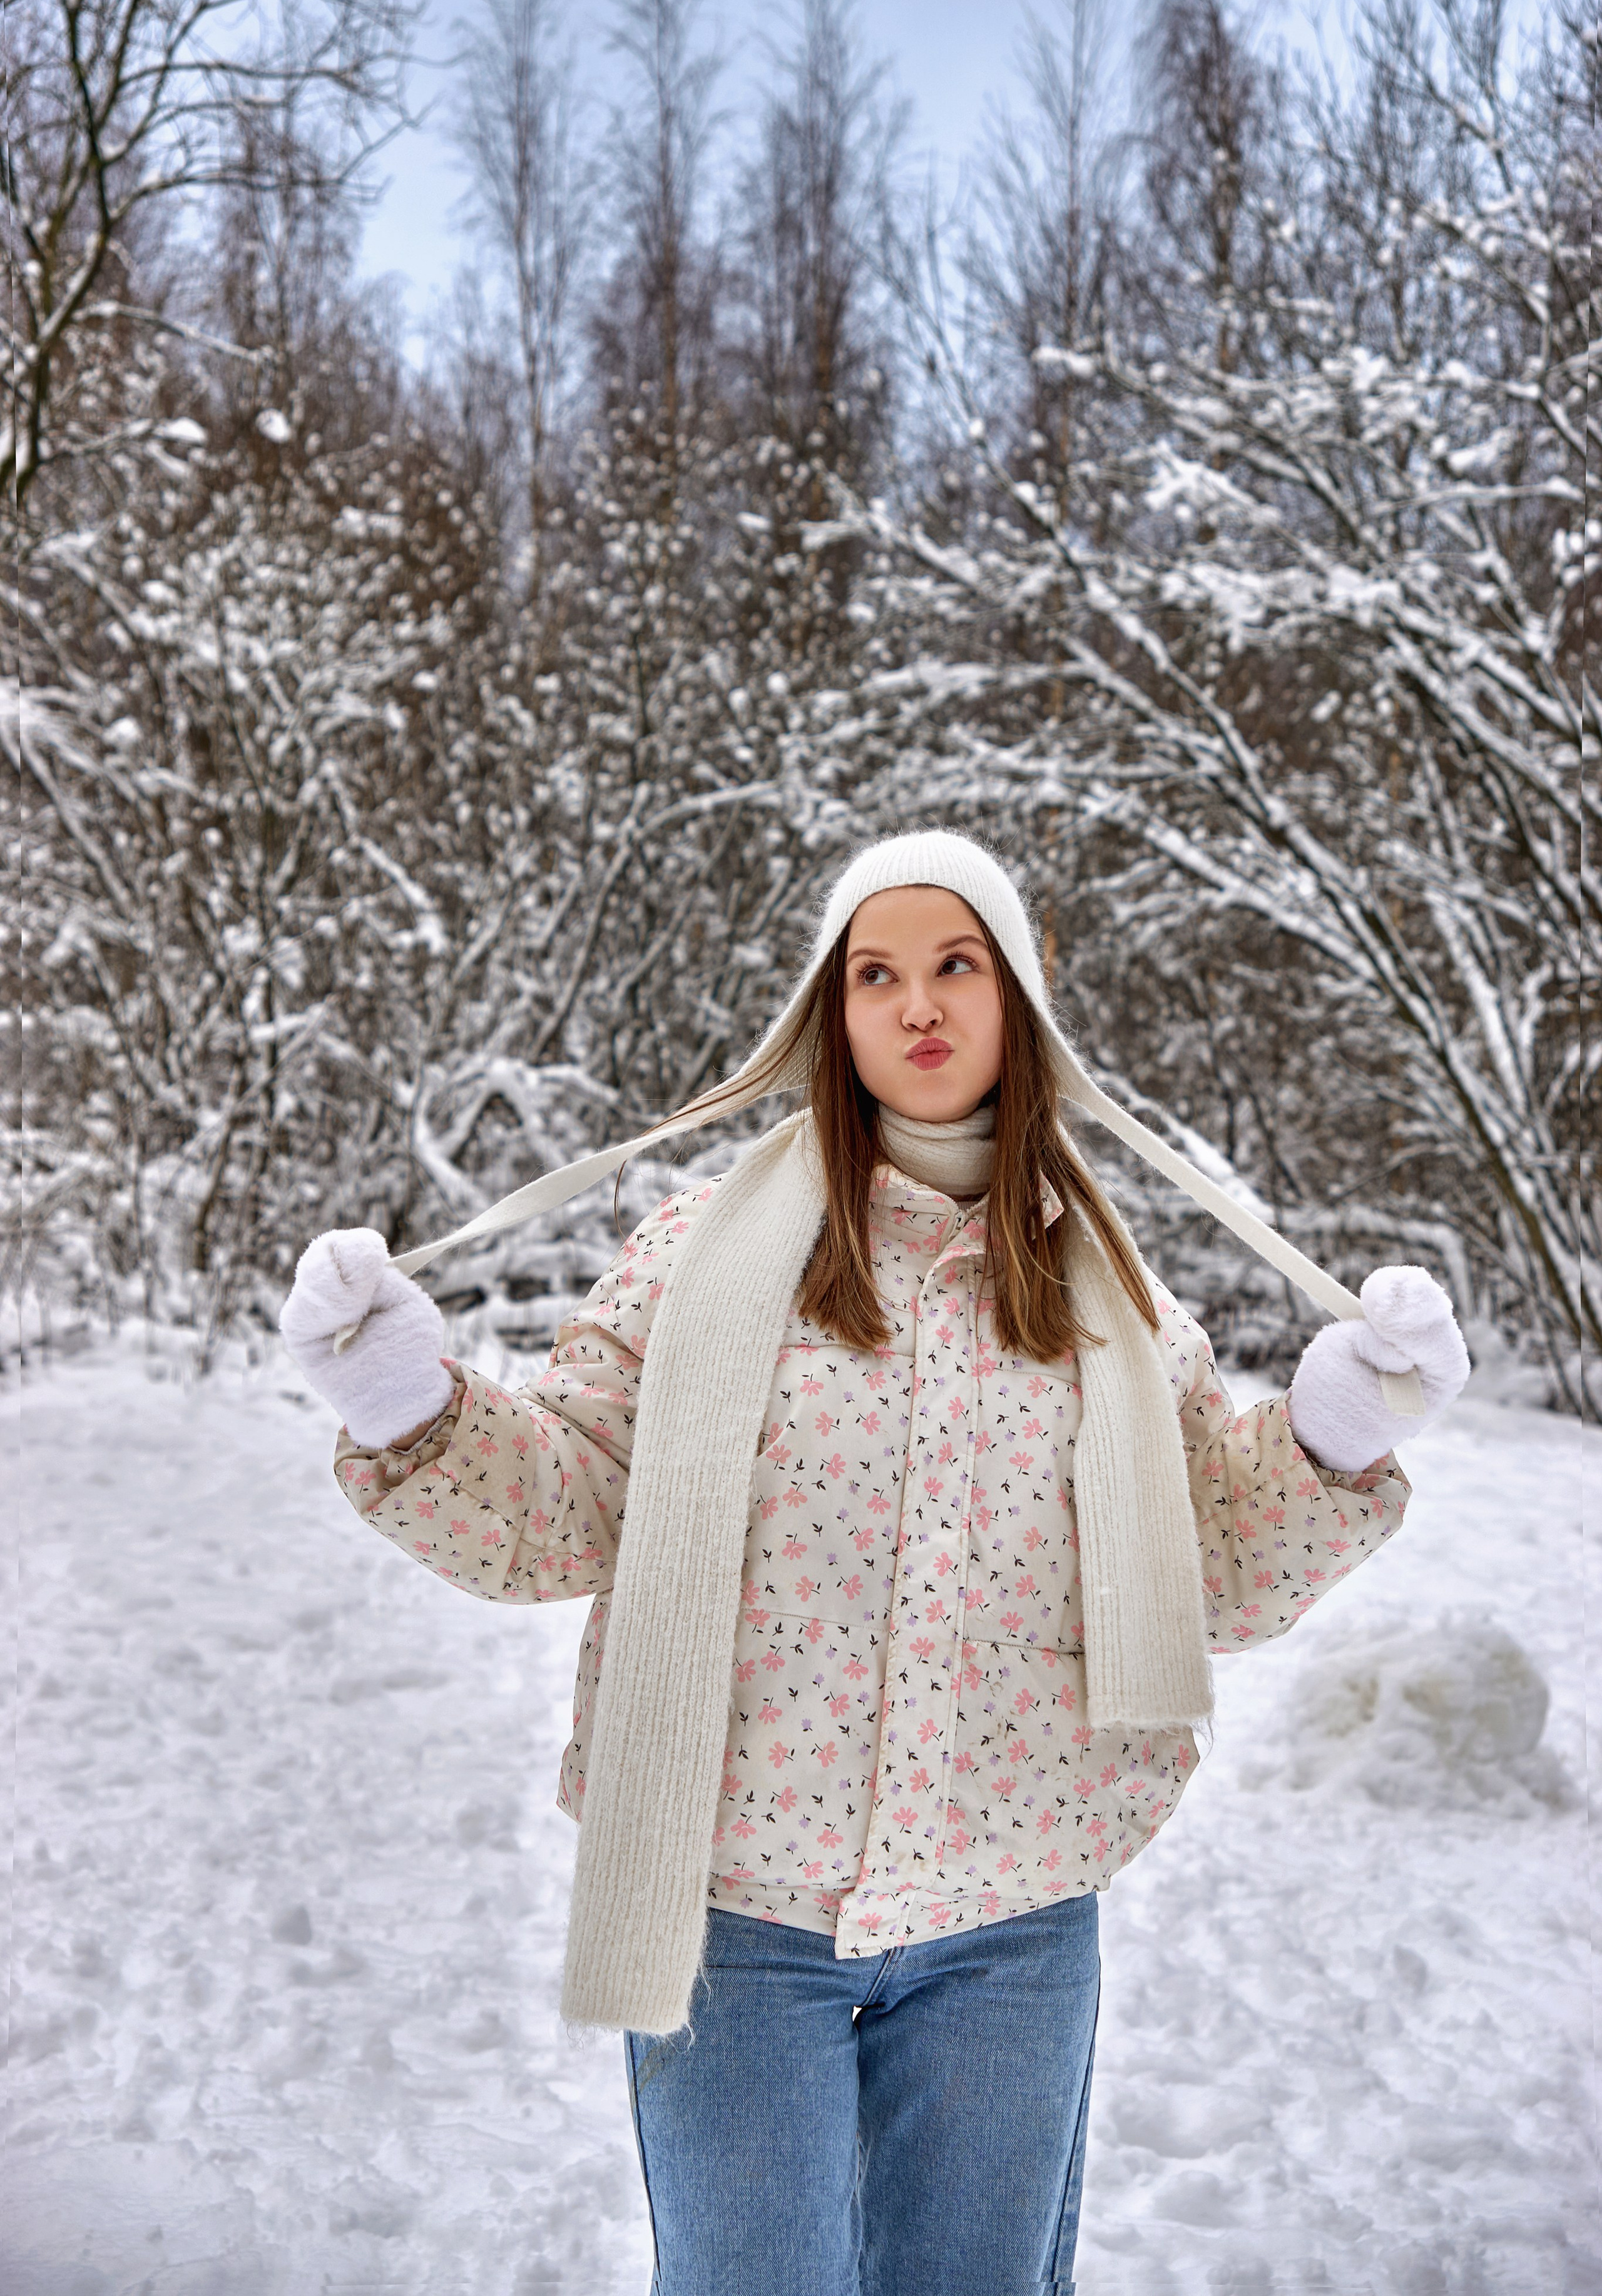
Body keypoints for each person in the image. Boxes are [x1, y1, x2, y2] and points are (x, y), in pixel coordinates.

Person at [280, 830, 1470, 2296]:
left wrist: (1330, 1434)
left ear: (1014, 1001)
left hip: (1013, 1918)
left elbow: (1204, 1563)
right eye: (876, 974)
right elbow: (574, 1504)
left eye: (954, 965)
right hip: (734, 1915)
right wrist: (413, 1413)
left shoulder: (1107, 1289)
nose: (917, 1005)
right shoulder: (699, 1255)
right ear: (829, 1015)